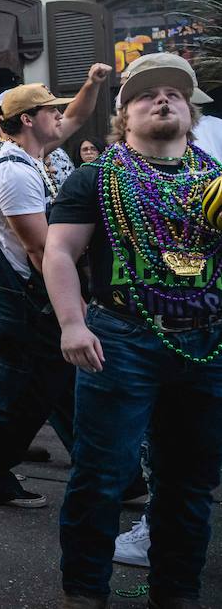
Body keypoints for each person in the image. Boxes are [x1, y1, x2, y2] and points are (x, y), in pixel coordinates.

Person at [47, 52, 222, 609]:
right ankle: (85, 591)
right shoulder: (95, 178)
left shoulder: (216, 182)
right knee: (102, 476)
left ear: (192, 113)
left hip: (206, 341)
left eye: (175, 93)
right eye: (147, 94)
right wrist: (72, 324)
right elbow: (59, 252)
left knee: (190, 482)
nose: (162, 99)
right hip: (120, 338)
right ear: (123, 114)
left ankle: (177, 591)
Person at [0, 82, 82, 509]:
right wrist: (72, 306)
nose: (59, 116)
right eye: (51, 110)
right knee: (12, 394)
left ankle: (113, 474)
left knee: (54, 387)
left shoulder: (30, 162)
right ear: (29, 119)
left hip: (34, 301)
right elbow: (38, 249)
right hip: (26, 302)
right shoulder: (14, 171)